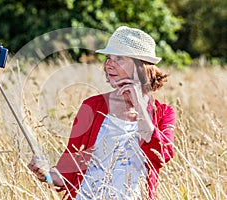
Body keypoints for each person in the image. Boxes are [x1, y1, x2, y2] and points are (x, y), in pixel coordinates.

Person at [28, 26, 176, 200]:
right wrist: (46, 174)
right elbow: (68, 170)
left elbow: (160, 156)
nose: (108, 64)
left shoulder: (164, 113)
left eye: (119, 58)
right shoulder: (92, 106)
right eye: (108, 58)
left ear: (140, 67)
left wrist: (139, 104)